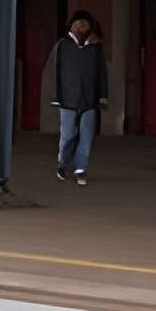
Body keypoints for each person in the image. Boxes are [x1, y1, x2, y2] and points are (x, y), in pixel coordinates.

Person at [46, 10, 107, 187]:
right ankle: (63, 162)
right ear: (71, 24)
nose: (81, 25)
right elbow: (55, 72)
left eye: (85, 23)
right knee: (67, 135)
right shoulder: (63, 45)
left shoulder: (96, 47)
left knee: (86, 136)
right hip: (67, 99)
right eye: (78, 22)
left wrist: (103, 96)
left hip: (89, 100)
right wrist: (56, 96)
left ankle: (80, 169)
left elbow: (101, 73)